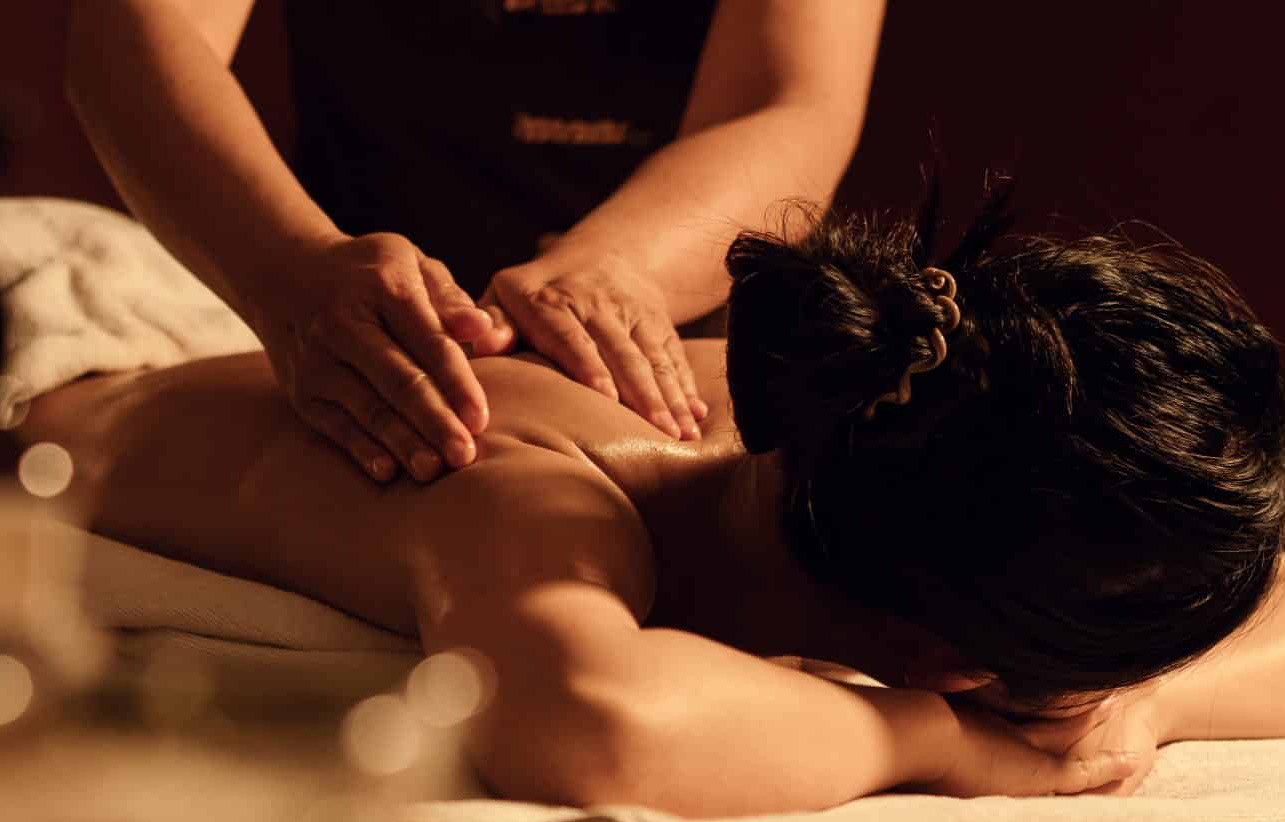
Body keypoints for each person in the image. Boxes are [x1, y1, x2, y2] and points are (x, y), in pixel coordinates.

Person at [18, 185, 1285, 817]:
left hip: (153, 317)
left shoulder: (865, 417)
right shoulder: (537, 505)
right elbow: (594, 731)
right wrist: (934, 741)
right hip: (12, 367)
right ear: (964, 660)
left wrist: (1153, 702)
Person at [65, 0, 884, 484]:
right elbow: (133, 32)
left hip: (669, 351)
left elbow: (786, 98)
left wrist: (617, 270)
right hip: (346, 349)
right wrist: (286, 271)